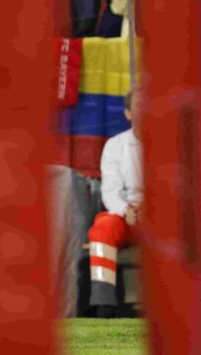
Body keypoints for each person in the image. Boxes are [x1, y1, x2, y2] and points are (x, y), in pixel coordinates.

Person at [87, 88, 143, 317]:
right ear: (129, 113)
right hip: (129, 217)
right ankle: (104, 304)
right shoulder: (115, 146)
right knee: (103, 227)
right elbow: (110, 192)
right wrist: (125, 211)